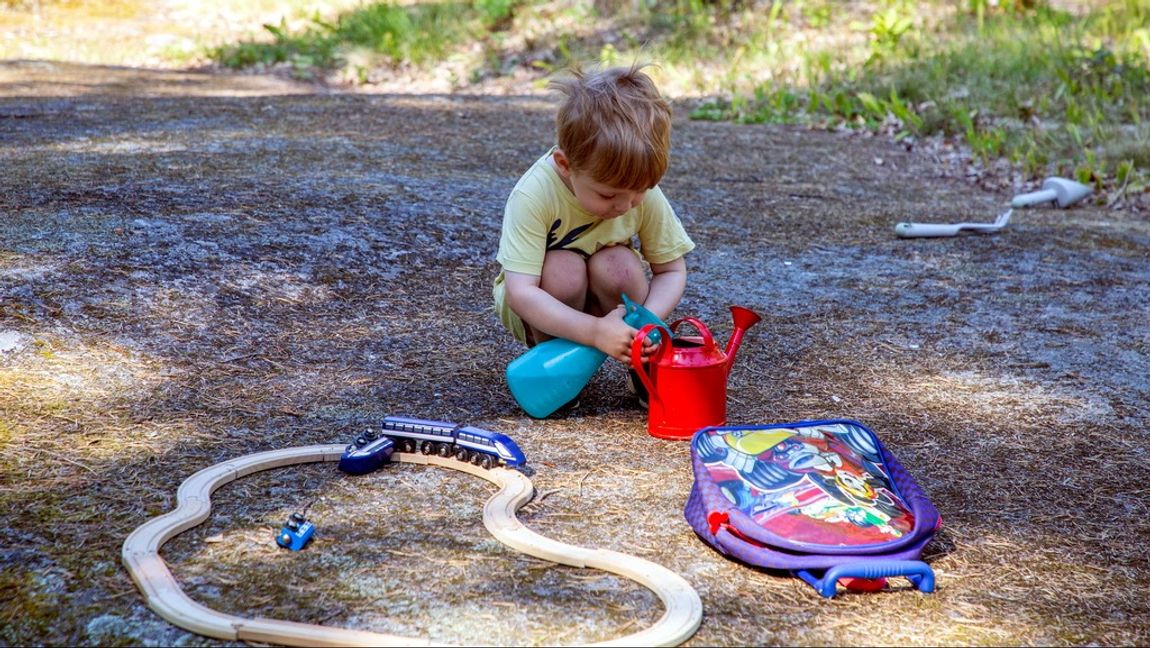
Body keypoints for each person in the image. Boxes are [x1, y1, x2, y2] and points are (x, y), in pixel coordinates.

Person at [492, 62, 695, 405]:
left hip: (611, 304)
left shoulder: (634, 190)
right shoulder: (534, 194)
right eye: (608, 195)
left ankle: (641, 367)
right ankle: (556, 370)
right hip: (545, 302)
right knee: (562, 269)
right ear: (565, 165)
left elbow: (672, 271)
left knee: (617, 263)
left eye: (640, 192)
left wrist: (644, 325)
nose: (625, 206)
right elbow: (521, 294)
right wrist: (594, 331)